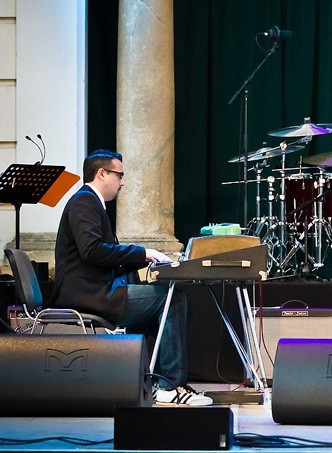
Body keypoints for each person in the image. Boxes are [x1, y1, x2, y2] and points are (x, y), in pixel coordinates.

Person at [49, 150, 212, 406]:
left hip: (93, 290)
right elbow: (92, 251)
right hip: (87, 295)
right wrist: (144, 253)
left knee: (154, 301)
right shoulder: (84, 202)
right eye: (120, 175)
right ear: (102, 174)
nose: (122, 182)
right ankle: (170, 386)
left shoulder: (90, 202)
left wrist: (143, 259)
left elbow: (101, 255)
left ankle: (149, 382)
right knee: (172, 300)